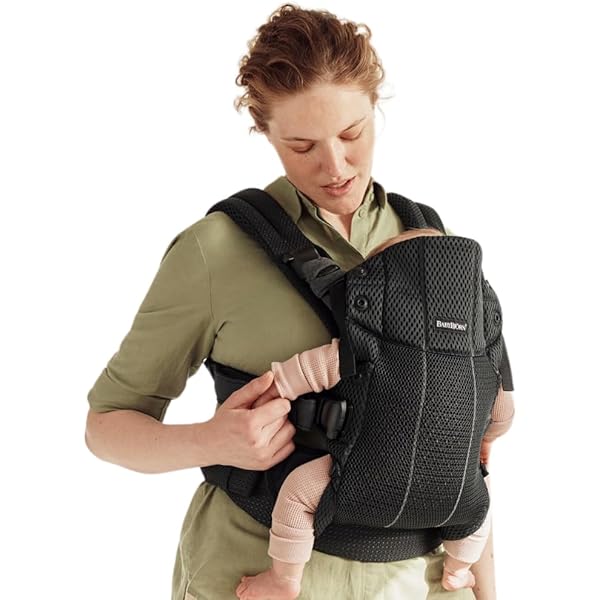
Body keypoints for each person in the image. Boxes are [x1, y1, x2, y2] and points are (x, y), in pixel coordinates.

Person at [85, 4, 504, 598]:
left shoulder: (436, 247)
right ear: (265, 132)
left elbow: (465, 451)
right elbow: (105, 426)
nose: (335, 166)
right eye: (302, 145)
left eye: (352, 133)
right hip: (250, 571)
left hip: (420, 582)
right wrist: (213, 440)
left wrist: (486, 590)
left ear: (376, 105)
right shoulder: (216, 249)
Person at [235, 227, 515, 600]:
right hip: (454, 493)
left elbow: (307, 371)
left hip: (363, 477)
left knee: (298, 494)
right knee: (481, 503)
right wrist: (487, 437)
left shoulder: (369, 344)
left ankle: (284, 579)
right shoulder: (482, 356)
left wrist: (271, 391)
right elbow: (503, 412)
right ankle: (458, 570)